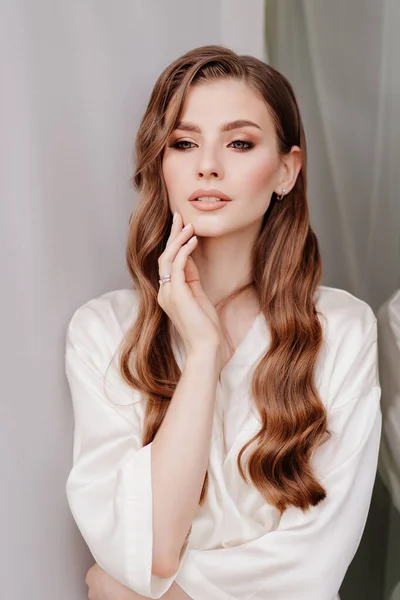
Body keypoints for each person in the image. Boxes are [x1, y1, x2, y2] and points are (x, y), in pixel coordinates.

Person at [65, 45, 382, 600]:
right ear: (161, 164)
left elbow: (314, 564)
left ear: (287, 170)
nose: (208, 164)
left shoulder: (342, 327)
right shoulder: (102, 331)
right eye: (184, 143)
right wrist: (204, 350)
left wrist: (156, 595)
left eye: (239, 142)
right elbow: (150, 548)